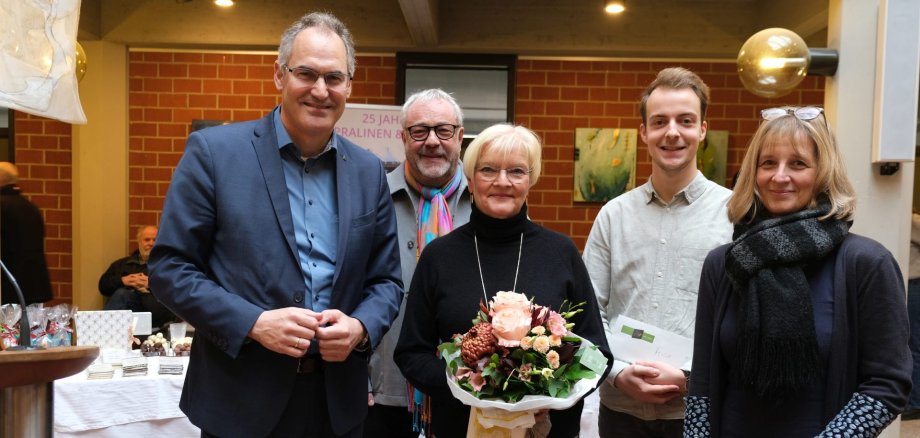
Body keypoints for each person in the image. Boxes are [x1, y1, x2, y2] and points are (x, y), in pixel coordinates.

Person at [148, 12, 403, 438]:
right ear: (279, 76)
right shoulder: (214, 154)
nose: (321, 90)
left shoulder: (369, 170)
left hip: (338, 405)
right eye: (306, 73)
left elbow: (386, 282)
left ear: (349, 86)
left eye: (334, 78)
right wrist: (253, 322)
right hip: (240, 403)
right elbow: (169, 269)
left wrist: (360, 328)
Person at [684, 106, 912, 437]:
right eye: (768, 163)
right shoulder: (723, 264)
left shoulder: (866, 263)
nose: (779, 176)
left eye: (798, 163)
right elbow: (703, 382)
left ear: (823, 172)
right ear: (754, 173)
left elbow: (888, 382)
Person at [395, 123, 613, 438]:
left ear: (531, 180)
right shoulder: (439, 256)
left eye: (516, 171)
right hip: (461, 427)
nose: (502, 182)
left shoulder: (561, 251)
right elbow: (410, 353)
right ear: (469, 180)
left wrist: (551, 395)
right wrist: (471, 389)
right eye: (488, 170)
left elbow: (598, 353)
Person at [582, 67, 732, 438]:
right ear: (644, 132)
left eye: (685, 121)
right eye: (660, 121)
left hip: (699, 411)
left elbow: (742, 319)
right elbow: (588, 312)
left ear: (702, 129)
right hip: (620, 411)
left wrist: (689, 377)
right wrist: (616, 372)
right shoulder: (613, 216)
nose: (672, 132)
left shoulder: (735, 215)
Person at [366, 89, 472, 437]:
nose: (431, 141)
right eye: (419, 131)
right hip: (383, 393)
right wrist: (357, 375)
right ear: (403, 138)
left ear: (459, 136)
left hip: (471, 393)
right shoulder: (371, 201)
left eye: (443, 131)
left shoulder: (486, 205)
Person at [99, 225, 176, 329]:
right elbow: (103, 286)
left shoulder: (169, 266)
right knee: (122, 294)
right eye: (147, 240)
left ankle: (103, 332)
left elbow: (177, 292)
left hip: (158, 318)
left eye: (155, 240)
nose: (151, 243)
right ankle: (107, 332)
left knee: (122, 294)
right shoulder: (122, 264)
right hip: (127, 318)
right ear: (139, 242)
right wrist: (122, 281)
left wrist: (152, 284)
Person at [0, 162, 53, 305]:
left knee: (8, 327)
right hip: (35, 285)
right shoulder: (31, 207)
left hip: (9, 287)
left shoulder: (2, 206)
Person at [908, 212, 920, 419]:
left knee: (914, 344)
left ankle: (915, 403)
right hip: (908, 283)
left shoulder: (912, 220)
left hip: (914, 284)